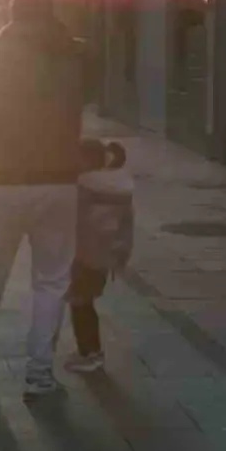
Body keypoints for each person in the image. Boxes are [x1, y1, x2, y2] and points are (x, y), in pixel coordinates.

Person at [0, 0, 85, 400]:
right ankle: (39, 373)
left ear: (11, 12)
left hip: (4, 182)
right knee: (51, 281)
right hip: (59, 183)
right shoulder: (74, 54)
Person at [63, 139, 134, 374]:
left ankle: (90, 353)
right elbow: (126, 224)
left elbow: (73, 221)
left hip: (84, 254)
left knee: (80, 304)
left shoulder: (84, 186)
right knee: (85, 302)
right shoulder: (118, 185)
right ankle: (91, 351)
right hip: (105, 255)